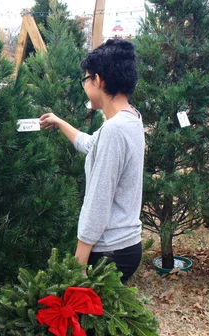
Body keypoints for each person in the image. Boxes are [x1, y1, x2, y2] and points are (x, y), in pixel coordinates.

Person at [39, 39, 144, 284]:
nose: (85, 85)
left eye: (86, 79)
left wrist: (79, 263)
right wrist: (60, 122)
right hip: (126, 246)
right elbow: (90, 145)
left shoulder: (114, 130)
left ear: (98, 80)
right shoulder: (131, 118)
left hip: (110, 250)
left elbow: (98, 201)